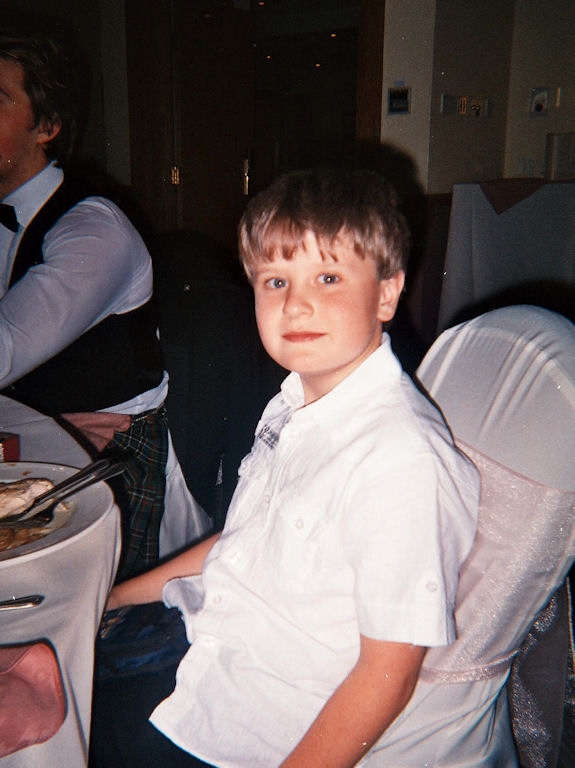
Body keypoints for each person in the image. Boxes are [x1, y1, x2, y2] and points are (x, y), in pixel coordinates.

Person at [90, 167, 480, 767]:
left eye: (328, 277)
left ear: (387, 293)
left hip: (266, 729)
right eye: (275, 280)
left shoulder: (399, 460)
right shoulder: (294, 401)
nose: (296, 304)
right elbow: (242, 542)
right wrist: (113, 598)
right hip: (208, 660)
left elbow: (388, 675)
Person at [0, 14, 209, 581]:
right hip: (41, 433)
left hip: (117, 453)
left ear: (47, 126)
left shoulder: (93, 230)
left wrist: (44, 432)